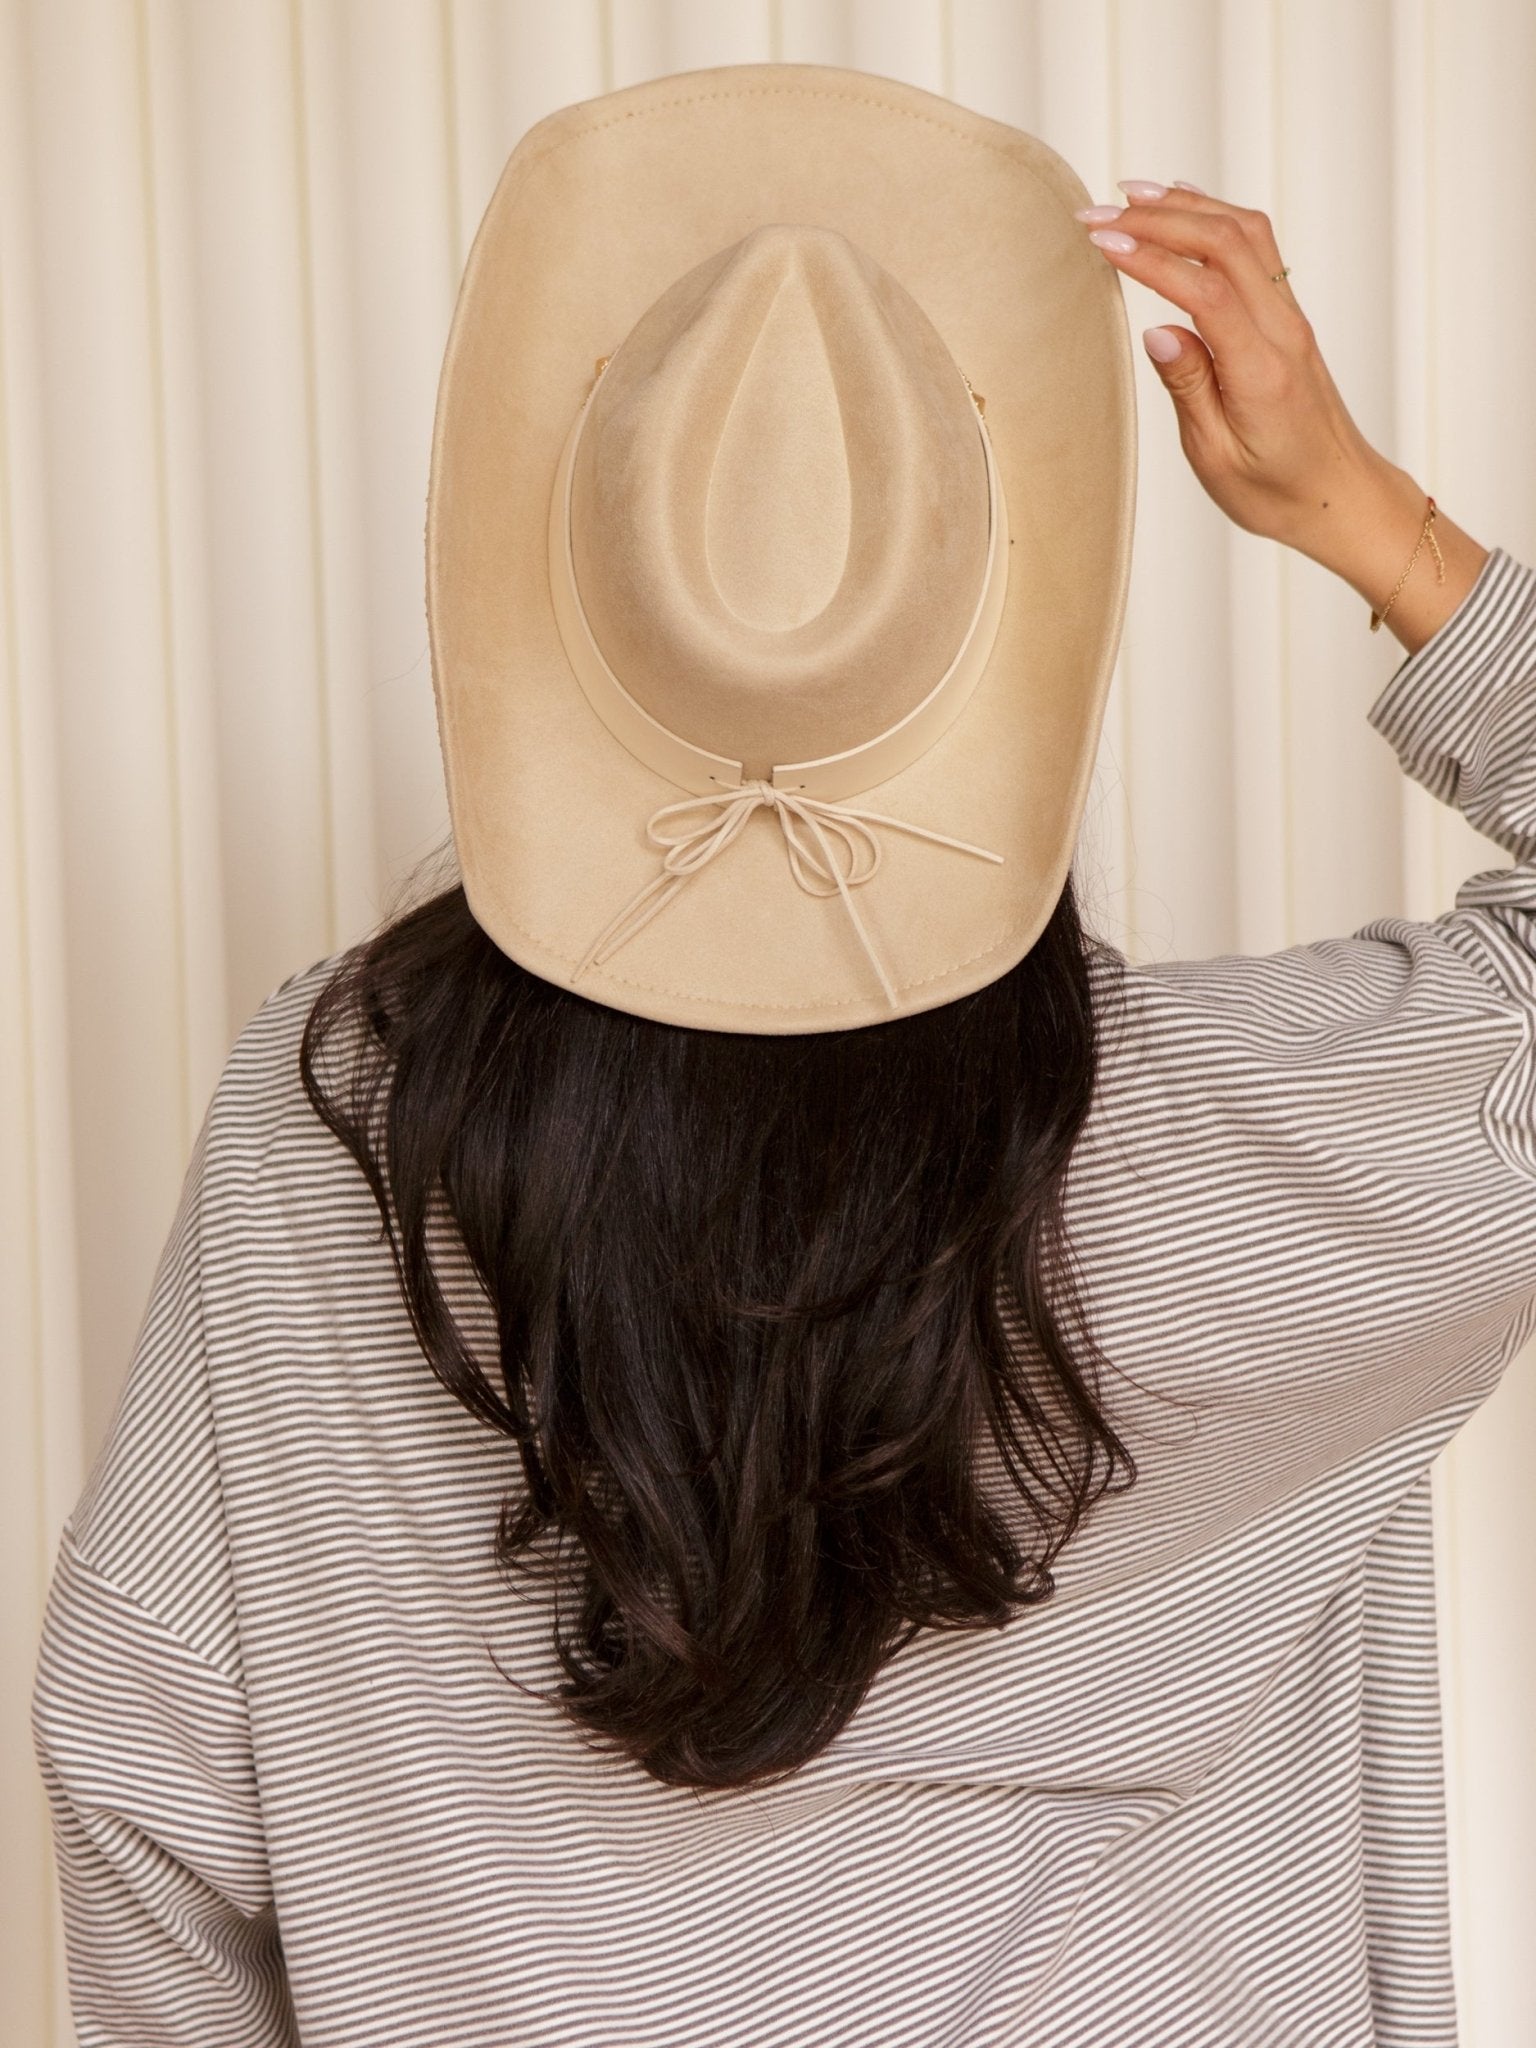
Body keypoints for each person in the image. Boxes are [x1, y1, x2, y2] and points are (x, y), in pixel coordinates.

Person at [30, 66, 1536, 2048]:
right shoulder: (1248, 1150)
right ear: (993, 632)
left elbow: (139, 1760)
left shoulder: (333, 1124)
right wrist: (1362, 516)